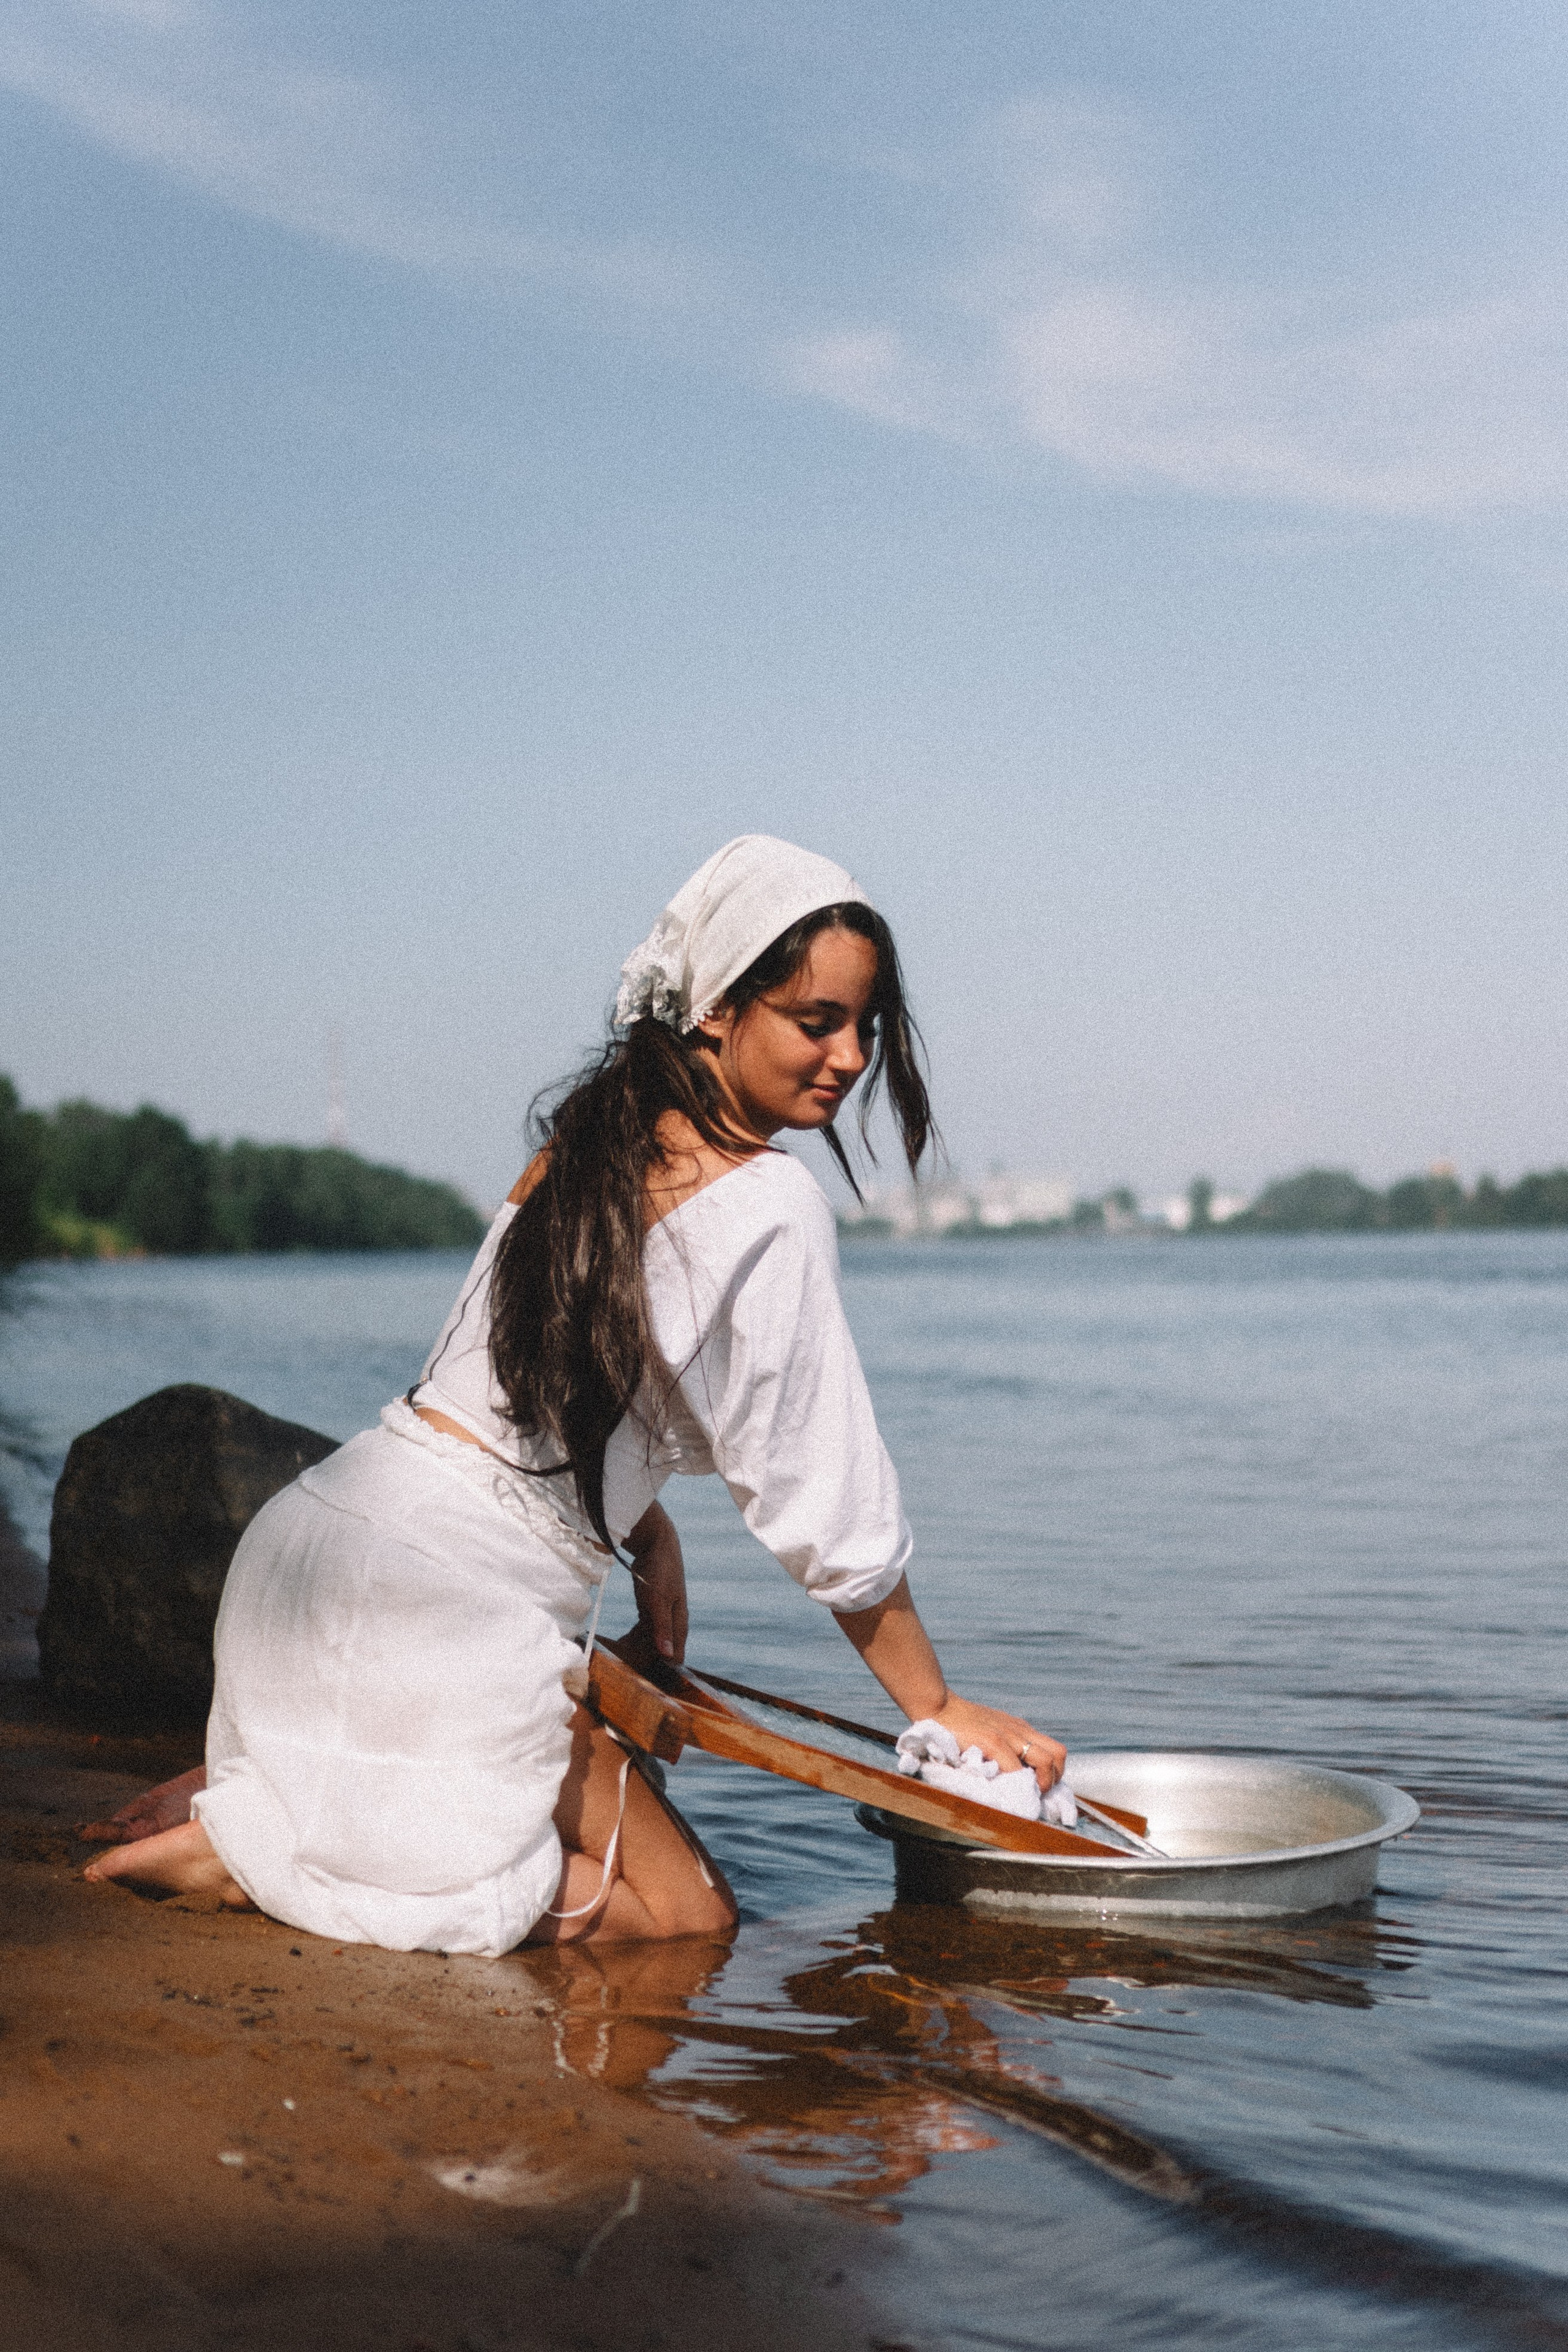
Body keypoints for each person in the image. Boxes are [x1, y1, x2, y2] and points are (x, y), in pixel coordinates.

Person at [85, 836, 1068, 1951]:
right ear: (715, 1009)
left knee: (584, 1785)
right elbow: (822, 1505)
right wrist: (936, 1712)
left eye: (867, 1027)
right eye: (816, 1020)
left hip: (308, 1555)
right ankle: (262, 1860)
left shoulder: (588, 1139)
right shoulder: (772, 1206)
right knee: (683, 1920)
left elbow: (505, 1397)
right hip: (446, 1614)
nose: (848, 1056)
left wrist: (650, 1542)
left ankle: (306, 1801)